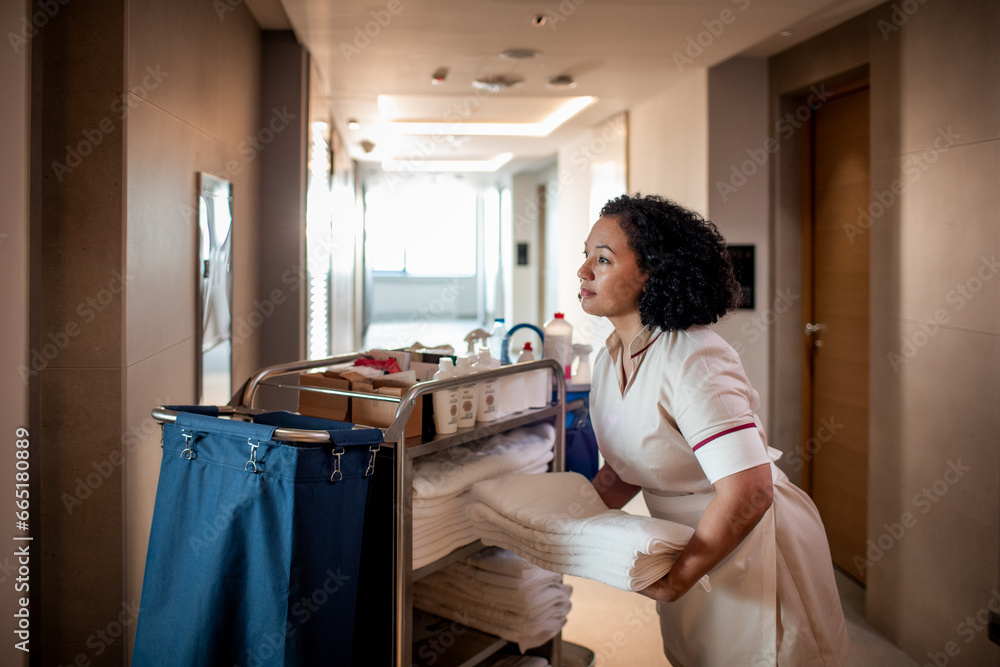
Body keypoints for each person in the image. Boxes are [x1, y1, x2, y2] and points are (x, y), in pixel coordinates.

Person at [578, 193, 850, 666]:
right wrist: (565, 525)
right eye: (585, 256)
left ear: (652, 273)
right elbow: (630, 465)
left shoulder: (694, 357)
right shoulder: (610, 358)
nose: (583, 272)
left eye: (602, 259)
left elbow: (748, 492)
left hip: (749, 543)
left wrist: (681, 578)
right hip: (689, 544)